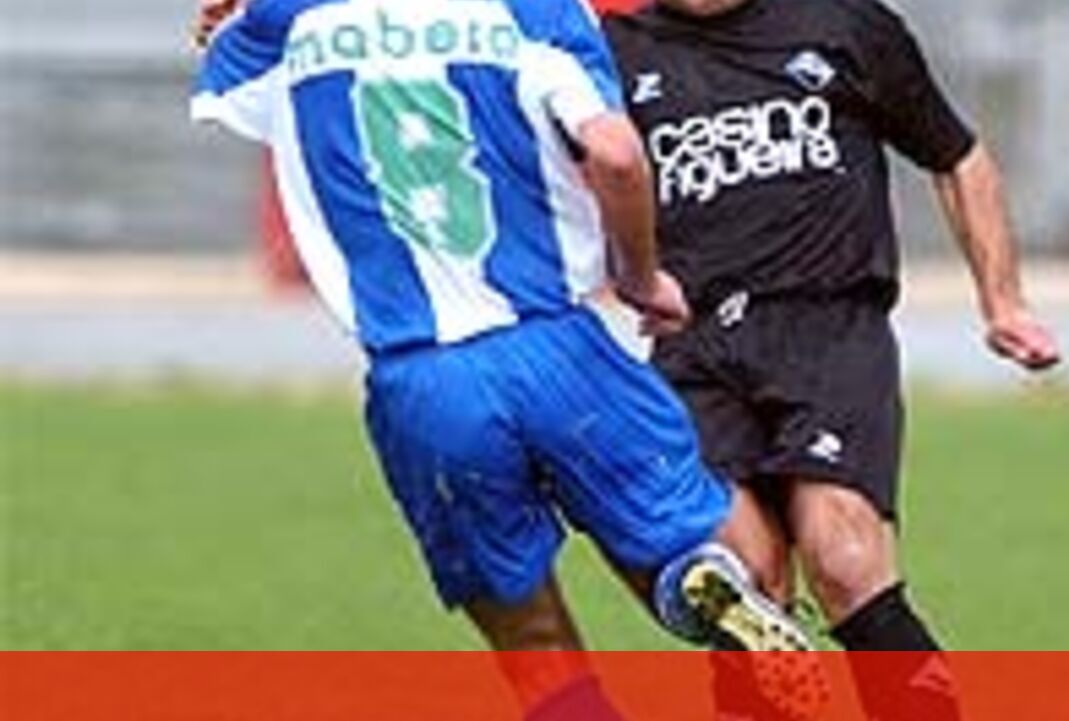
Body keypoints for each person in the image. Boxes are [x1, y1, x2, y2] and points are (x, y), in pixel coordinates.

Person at [189, 0, 812, 718]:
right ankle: (698, 583)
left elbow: (232, 78)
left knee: (534, 647)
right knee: (691, 543)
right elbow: (615, 154)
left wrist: (228, 24)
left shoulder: (289, 19)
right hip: (561, 348)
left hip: (425, 379)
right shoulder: (539, 10)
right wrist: (640, 277)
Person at [601, 0, 1062, 719]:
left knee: (844, 557)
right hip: (694, 350)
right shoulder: (614, 51)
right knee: (740, 587)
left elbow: (957, 157)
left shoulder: (843, 23)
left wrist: (1003, 302)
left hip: (827, 330)